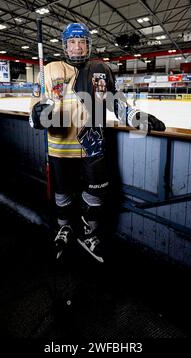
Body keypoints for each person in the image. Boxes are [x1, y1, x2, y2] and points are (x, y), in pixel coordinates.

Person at [29, 23, 166, 263]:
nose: (77, 46)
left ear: (88, 45)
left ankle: (89, 233)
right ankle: (64, 229)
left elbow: (117, 102)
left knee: (97, 193)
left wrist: (135, 117)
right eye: (72, 42)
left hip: (94, 146)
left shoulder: (101, 68)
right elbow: (33, 108)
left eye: (82, 41)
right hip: (59, 147)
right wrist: (36, 116)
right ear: (65, 45)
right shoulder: (48, 70)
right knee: (62, 194)